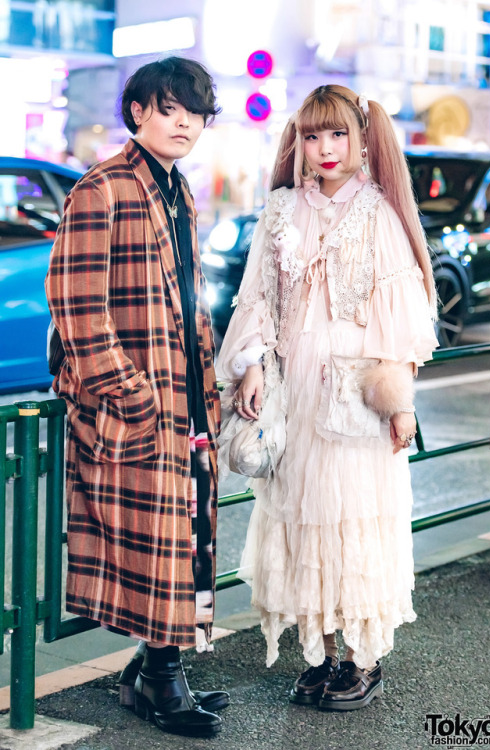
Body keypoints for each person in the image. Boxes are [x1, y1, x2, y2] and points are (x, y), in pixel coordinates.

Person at [216, 85, 438, 711]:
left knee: (353, 520)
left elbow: (400, 320)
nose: (325, 148)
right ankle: (321, 655)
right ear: (299, 143)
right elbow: (255, 296)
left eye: (337, 134)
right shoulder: (282, 210)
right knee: (304, 520)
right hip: (296, 396)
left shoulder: (379, 213)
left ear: (360, 139)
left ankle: (361, 662)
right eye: (313, 136)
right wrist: (253, 364)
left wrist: (398, 403)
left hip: (354, 398)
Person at [45, 56, 228, 738]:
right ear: (138, 112)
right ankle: (160, 679)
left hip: (185, 401)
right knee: (157, 544)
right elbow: (76, 306)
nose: (185, 122)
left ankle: (154, 672)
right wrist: (134, 394)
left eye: (195, 112)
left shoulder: (175, 190)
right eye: (170, 108)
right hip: (141, 406)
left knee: (185, 543)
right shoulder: (103, 188)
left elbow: (186, 302)